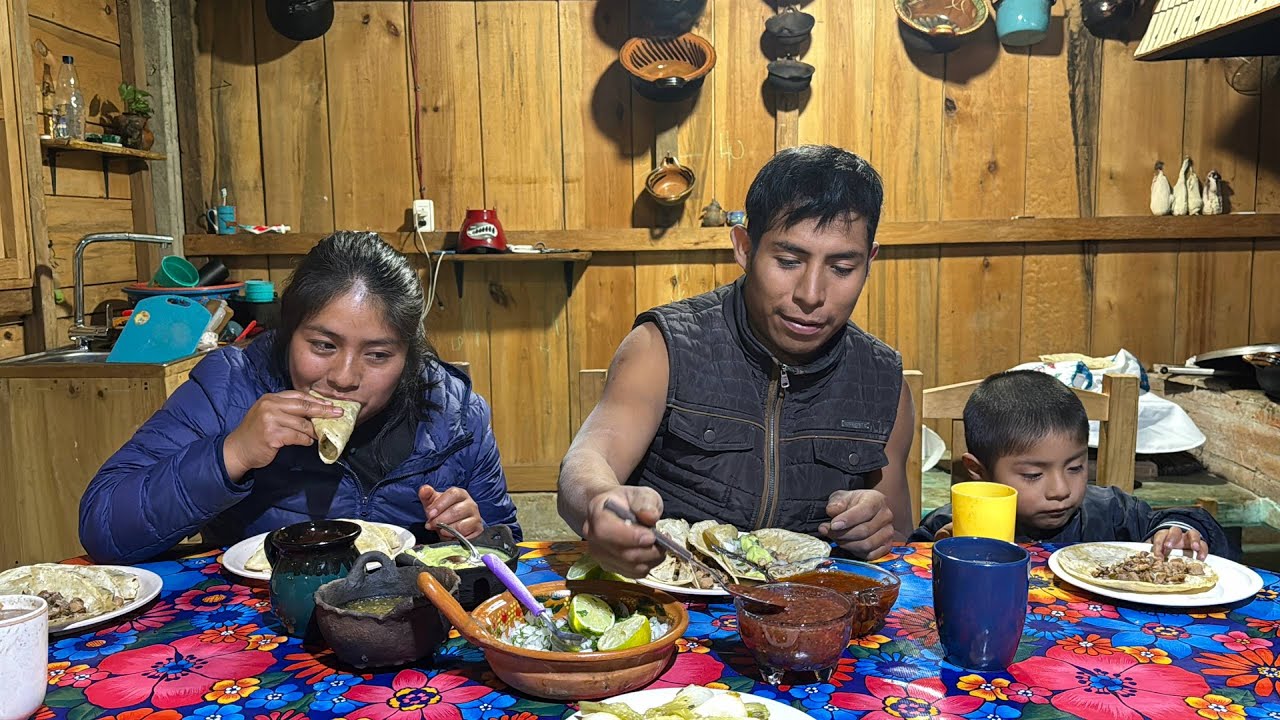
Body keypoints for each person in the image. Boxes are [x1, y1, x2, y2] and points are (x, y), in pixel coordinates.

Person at [558, 145, 916, 579]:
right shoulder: (663, 346)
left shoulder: (882, 381)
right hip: (674, 599)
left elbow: (899, 534)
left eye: (842, 268)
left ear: (869, 262)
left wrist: (876, 527)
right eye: (788, 261)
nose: (811, 294)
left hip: (813, 605)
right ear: (745, 248)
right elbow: (586, 460)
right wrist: (600, 502)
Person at [80, 231, 520, 564]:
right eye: (323, 346)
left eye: (378, 355)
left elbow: (507, 545)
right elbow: (103, 527)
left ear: (409, 356)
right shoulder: (230, 386)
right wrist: (232, 453)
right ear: (288, 334)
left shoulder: (455, 414)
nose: (344, 378)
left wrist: (473, 533)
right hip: (254, 626)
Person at [910, 370, 1233, 559]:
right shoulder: (952, 525)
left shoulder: (1111, 512)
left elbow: (1190, 521)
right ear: (979, 472)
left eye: (1075, 468)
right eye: (1033, 474)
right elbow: (909, 572)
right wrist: (936, 555)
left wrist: (1176, 533)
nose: (1061, 490)